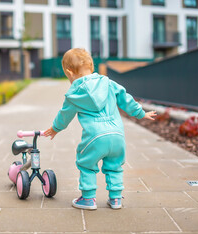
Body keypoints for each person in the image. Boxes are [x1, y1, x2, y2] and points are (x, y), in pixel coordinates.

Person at [44, 48, 156, 210]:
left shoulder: (74, 94)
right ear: (91, 66)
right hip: (117, 135)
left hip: (95, 138)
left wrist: (55, 128)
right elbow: (125, 98)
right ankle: (116, 198)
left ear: (69, 72)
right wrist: (140, 113)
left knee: (86, 164)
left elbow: (65, 115)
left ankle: (88, 199)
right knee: (115, 166)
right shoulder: (108, 83)